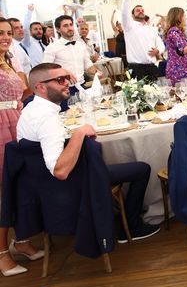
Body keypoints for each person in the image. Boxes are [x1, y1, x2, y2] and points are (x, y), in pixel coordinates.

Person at [17, 63, 161, 243]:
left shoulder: (31, 109)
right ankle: (132, 227)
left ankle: (116, 211)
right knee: (142, 169)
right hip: (71, 184)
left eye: (67, 78)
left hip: (40, 184)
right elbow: (60, 171)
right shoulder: (46, 119)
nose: (67, 84)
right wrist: (79, 133)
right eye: (60, 80)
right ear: (40, 87)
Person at [0, 18, 42, 277]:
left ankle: (21, 239)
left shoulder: (8, 59)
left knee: (21, 182)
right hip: (0, 128)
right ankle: (2, 254)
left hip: (17, 122)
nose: (5, 37)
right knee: (2, 190)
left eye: (7, 33)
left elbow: (21, 93)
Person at [43, 15, 102, 90]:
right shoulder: (52, 48)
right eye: (65, 26)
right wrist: (63, 72)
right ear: (58, 29)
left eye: (71, 25)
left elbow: (88, 65)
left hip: (81, 86)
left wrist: (97, 72)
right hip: (63, 89)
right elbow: (45, 70)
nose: (70, 28)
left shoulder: (80, 45)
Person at [121, 0, 165, 81]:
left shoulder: (151, 29)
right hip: (136, 68)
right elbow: (124, 14)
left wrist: (158, 51)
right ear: (132, 15)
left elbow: (161, 45)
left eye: (142, 10)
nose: (141, 11)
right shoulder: (129, 26)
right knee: (138, 94)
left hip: (152, 67)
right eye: (138, 10)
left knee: (155, 94)